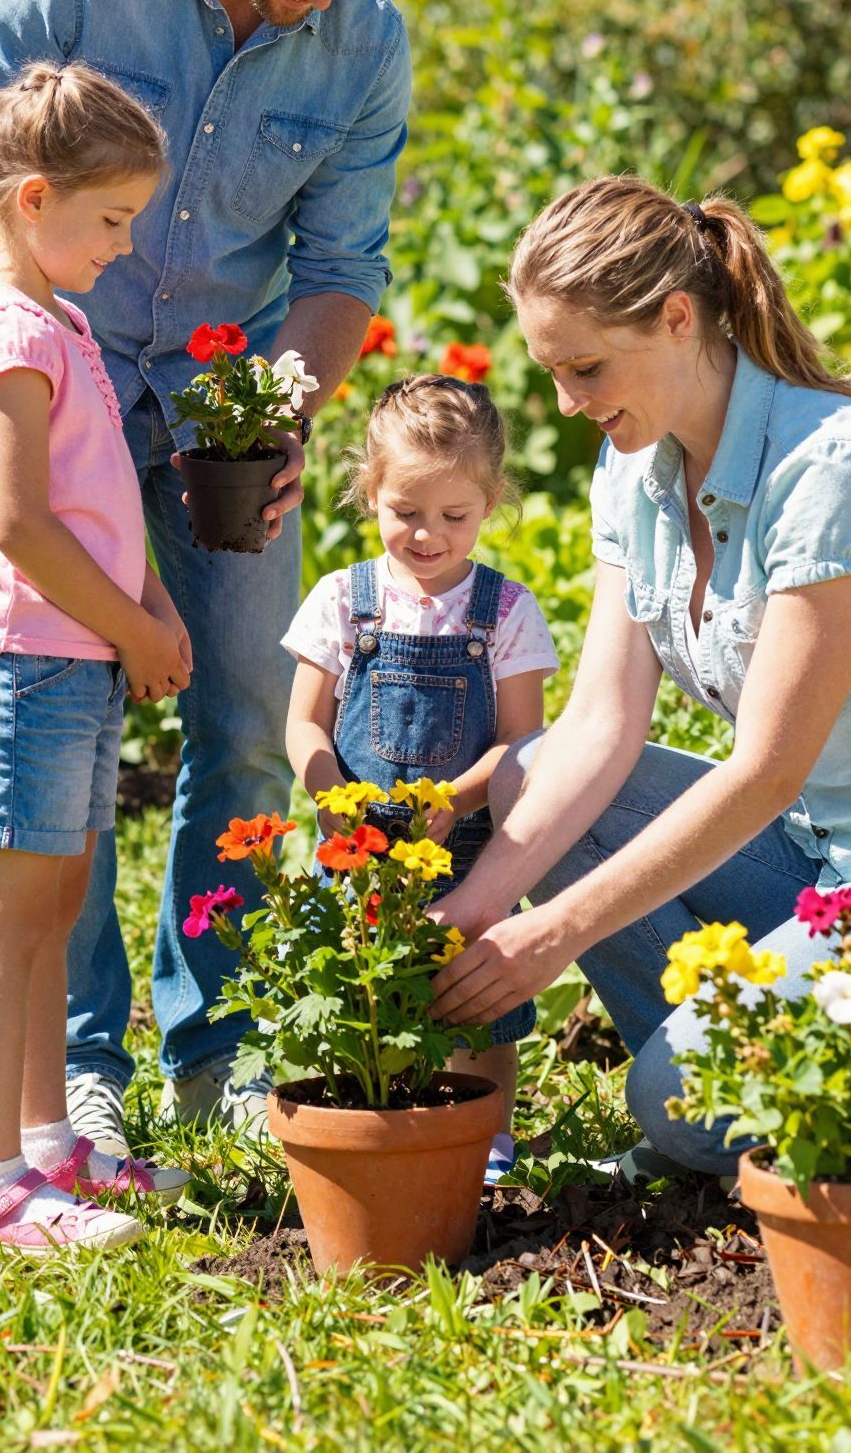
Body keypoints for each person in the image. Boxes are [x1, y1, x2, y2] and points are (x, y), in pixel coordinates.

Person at [0, 0, 421, 1147]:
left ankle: (219, 1046)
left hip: (219, 403)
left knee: (247, 707)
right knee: (73, 716)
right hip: (52, 378)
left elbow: (340, 267)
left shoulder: (364, 45)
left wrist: (283, 407)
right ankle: (77, 1068)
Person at [429, 175, 851, 1177]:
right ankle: (740, 1084)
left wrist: (555, 935)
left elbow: (765, 771)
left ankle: (719, 1094)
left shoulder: (833, 464)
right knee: (530, 774)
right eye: (550, 372)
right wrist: (484, 903)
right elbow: (598, 727)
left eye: (584, 367)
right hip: (805, 870)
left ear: (677, 316)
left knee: (672, 1097)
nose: (567, 403)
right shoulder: (635, 468)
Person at [0, 63, 192, 1255]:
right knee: (10, 914)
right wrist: (133, 625)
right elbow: (23, 521)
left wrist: (146, 605)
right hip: (14, 663)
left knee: (56, 902)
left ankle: (45, 1146)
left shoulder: (60, 319)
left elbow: (91, 509)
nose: (124, 244)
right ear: (34, 198)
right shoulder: (6, 330)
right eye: (112, 219)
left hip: (67, 659)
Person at [282, 374, 557, 1179]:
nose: (427, 535)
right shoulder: (344, 601)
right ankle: (379, 1111)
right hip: (359, 841)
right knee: (364, 980)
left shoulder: (504, 612)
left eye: (454, 517)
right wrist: (329, 792)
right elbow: (304, 722)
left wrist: (458, 796)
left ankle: (488, 1136)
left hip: (464, 844)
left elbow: (521, 742)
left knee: (479, 994)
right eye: (405, 512)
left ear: (492, 500)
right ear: (370, 491)